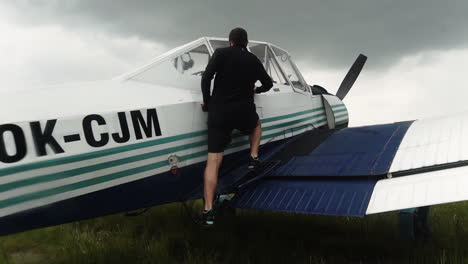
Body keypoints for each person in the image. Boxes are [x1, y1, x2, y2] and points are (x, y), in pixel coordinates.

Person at [199, 27, 273, 226]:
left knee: (213, 162)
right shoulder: (253, 60)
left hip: (218, 113)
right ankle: (254, 157)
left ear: (230, 42)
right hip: (243, 112)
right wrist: (256, 88)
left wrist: (207, 101)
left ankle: (208, 211)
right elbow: (269, 84)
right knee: (256, 125)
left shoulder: (220, 54)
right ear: (246, 43)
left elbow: (206, 78)